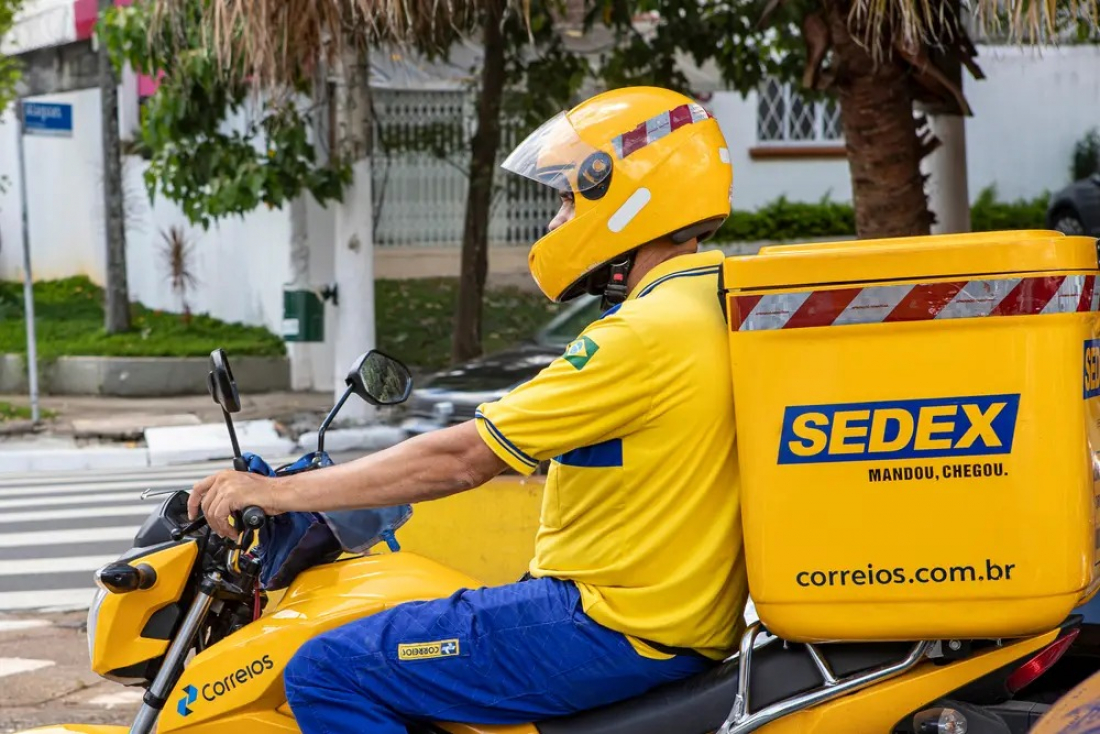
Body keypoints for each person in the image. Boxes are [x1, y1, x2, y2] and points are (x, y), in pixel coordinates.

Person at [187, 85, 746, 733]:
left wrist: (273, 492)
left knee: (328, 668)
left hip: (610, 623)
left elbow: (463, 457)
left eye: (567, 199)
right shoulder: (714, 303)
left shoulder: (644, 334)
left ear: (626, 196)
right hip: (665, 616)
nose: (557, 221)